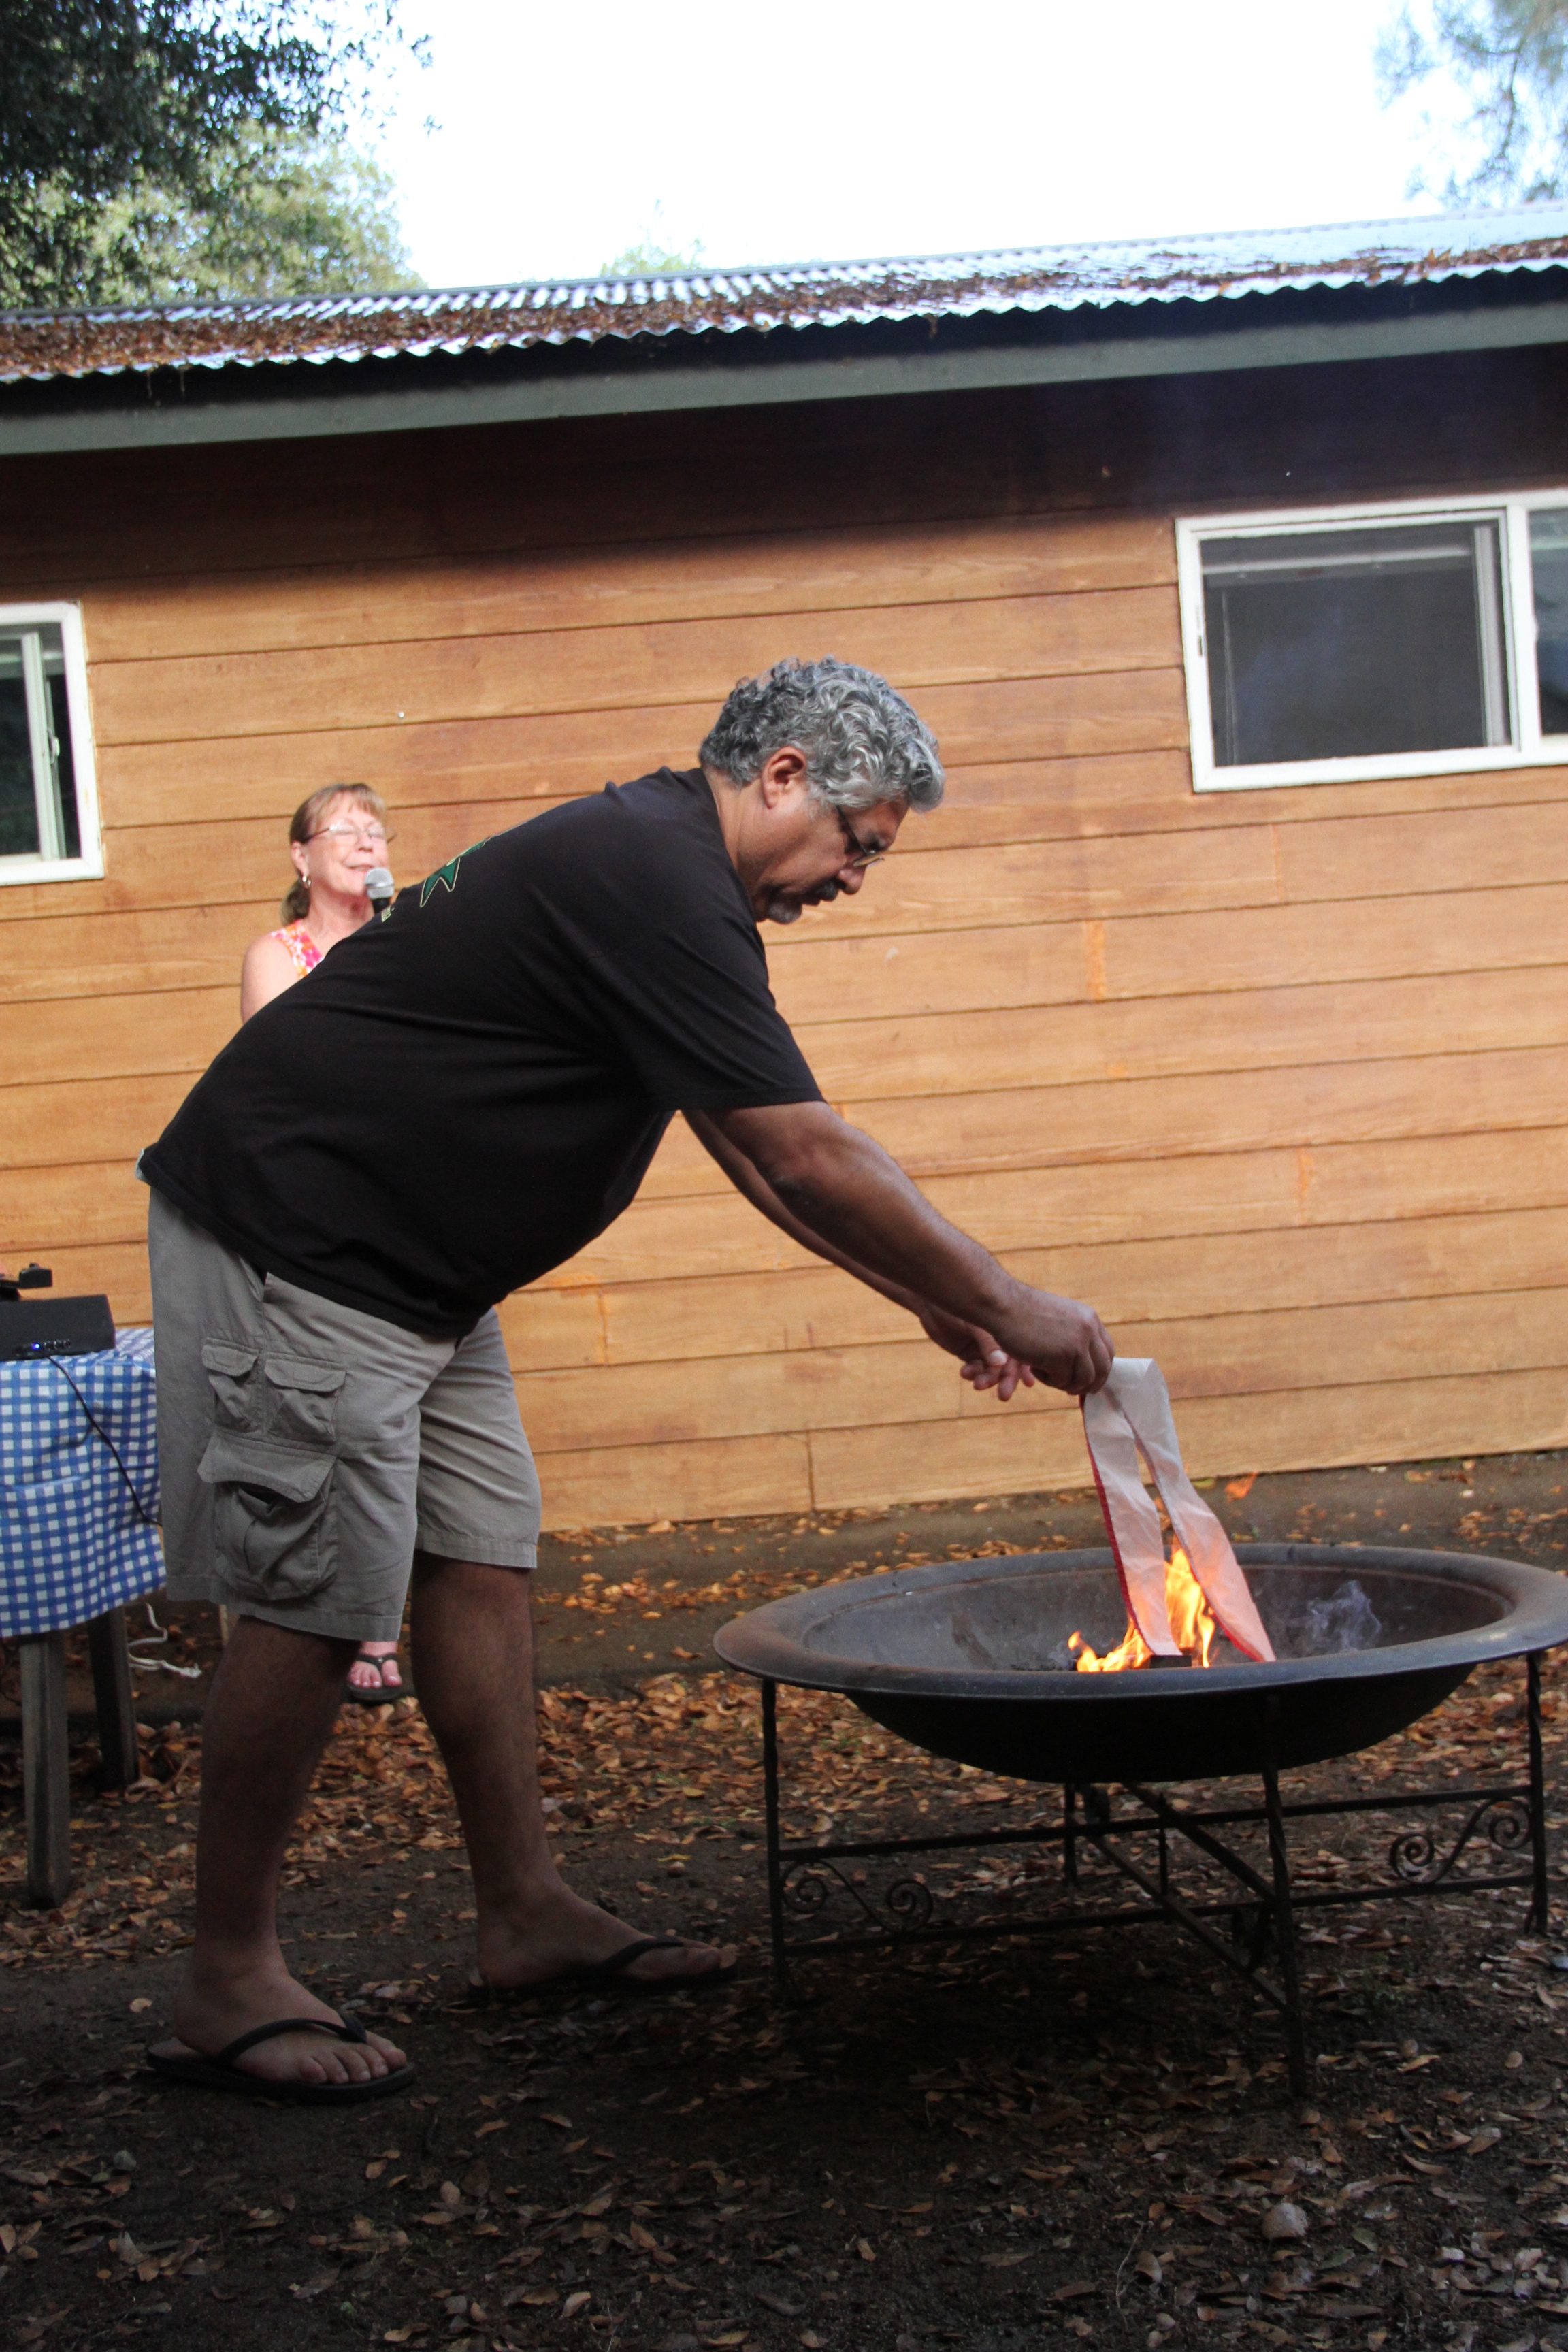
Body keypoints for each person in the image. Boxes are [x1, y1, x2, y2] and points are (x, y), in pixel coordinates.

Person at [137, 656, 1115, 2104]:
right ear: (783, 775)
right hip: (304, 1235)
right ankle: (227, 1976)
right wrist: (1016, 1305)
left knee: (480, 1555)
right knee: (314, 1592)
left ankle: (524, 1912)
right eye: (858, 843)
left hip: (423, 1267)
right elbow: (804, 1150)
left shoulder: (671, 878)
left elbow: (745, 1141)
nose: (855, 879)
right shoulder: (653, 874)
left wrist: (925, 1299)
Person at [239, 781, 408, 1707]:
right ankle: (332, 1617)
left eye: (377, 829)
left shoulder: (412, 934)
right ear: (301, 856)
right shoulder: (279, 956)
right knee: (341, 1419)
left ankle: (383, 1618)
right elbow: (290, 1074)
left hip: (412, 1209)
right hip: (318, 1218)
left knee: (400, 1425)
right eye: (345, 828)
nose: (366, 840)